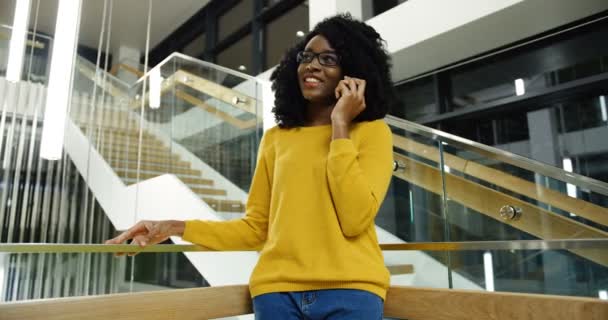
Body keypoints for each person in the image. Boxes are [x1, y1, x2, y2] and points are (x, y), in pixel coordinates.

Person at [106, 13, 397, 320]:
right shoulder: (277, 139)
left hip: (351, 292)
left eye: (328, 59)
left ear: (352, 72)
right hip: (276, 295)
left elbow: (354, 219)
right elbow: (256, 228)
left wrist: (340, 125)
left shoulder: (372, 133)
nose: (312, 65)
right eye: (307, 56)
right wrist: (173, 227)